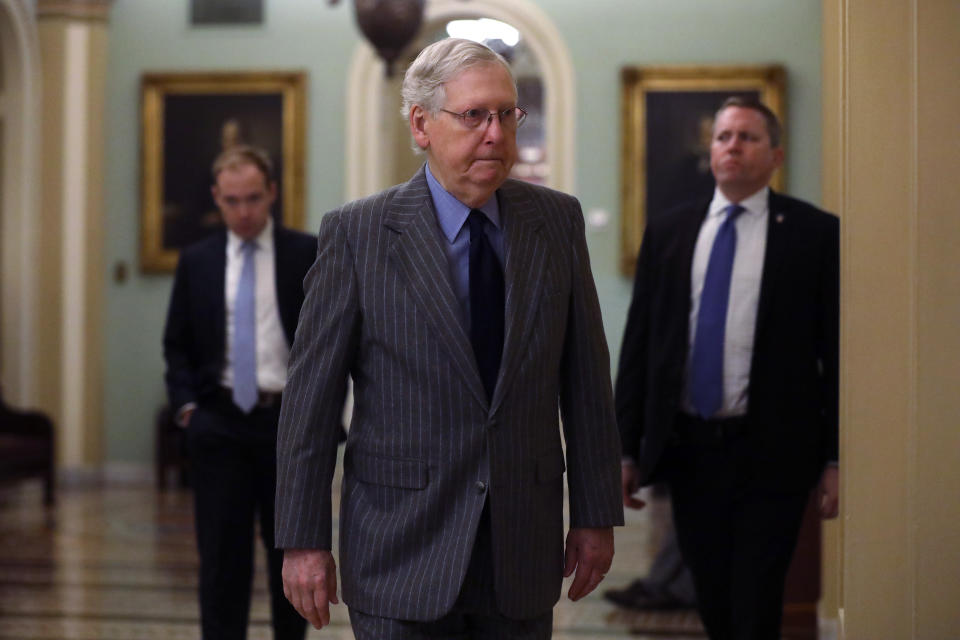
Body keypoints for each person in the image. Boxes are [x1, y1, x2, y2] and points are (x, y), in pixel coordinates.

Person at [274, 38, 623, 640]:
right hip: (400, 547)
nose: (495, 133)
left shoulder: (556, 222)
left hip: (521, 543)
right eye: (474, 116)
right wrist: (304, 540)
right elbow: (310, 405)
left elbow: (586, 381)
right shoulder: (358, 233)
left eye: (507, 114)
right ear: (421, 125)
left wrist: (595, 515)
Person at [615, 96, 840, 640]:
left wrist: (835, 457)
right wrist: (623, 449)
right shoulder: (670, 231)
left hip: (775, 449)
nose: (732, 146)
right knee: (711, 596)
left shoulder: (814, 234)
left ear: (776, 154)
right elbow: (641, 344)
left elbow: (834, 354)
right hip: (692, 449)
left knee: (757, 599)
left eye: (747, 137)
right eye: (722, 137)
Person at [162, 144, 315, 640]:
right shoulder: (197, 261)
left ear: (271, 193)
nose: (244, 211)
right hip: (219, 423)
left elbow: (327, 342)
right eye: (232, 200)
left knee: (290, 560)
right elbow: (177, 343)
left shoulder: (305, 253)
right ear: (216, 198)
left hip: (285, 428)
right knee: (221, 563)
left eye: (253, 197)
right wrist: (189, 410)